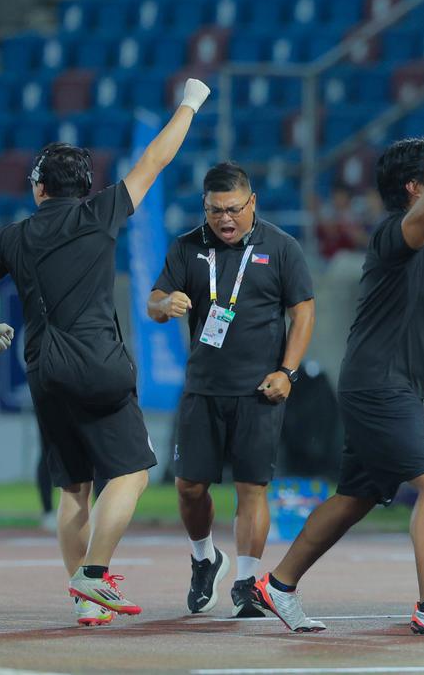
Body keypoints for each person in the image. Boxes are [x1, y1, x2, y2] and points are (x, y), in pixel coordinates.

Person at [252, 88, 424, 635]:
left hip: (384, 384)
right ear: (414, 188)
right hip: (381, 386)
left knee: (355, 496)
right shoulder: (397, 234)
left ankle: (276, 585)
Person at [0, 78, 212, 626]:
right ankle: (94, 576)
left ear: (40, 188)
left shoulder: (15, 235)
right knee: (134, 472)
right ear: (83, 186)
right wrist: (189, 103)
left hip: (43, 370)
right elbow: (156, 159)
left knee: (73, 485)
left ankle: (85, 604)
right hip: (99, 364)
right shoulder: (102, 213)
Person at [148, 162, 315, 618]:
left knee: (251, 488)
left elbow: (303, 312)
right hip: (203, 388)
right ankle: (205, 560)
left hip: (260, 390)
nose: (225, 219)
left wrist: (288, 371)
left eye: (234, 209)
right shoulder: (187, 247)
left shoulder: (281, 247)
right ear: (204, 206)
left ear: (252, 202)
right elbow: (153, 303)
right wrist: (166, 303)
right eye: (215, 210)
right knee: (188, 486)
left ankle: (246, 580)